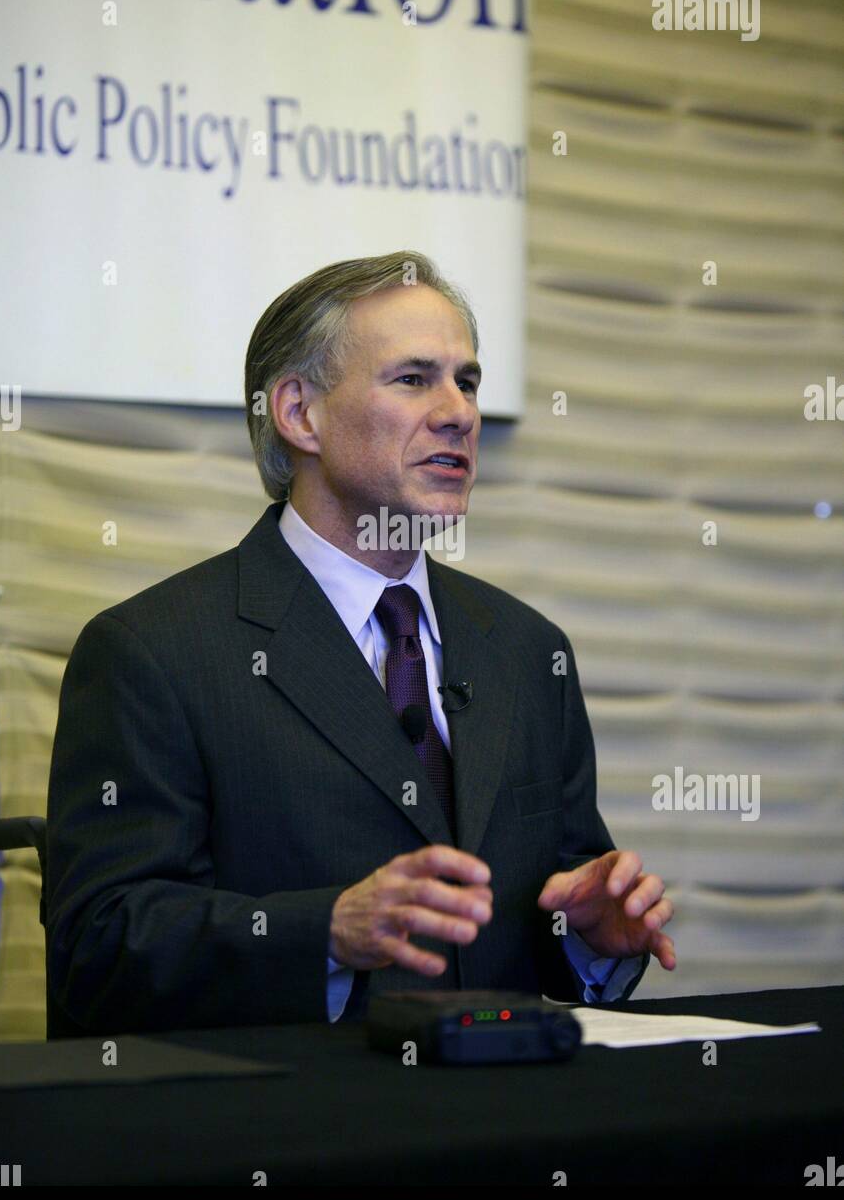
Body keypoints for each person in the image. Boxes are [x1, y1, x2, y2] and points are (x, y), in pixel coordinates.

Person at [45, 251, 675, 1037]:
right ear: (298, 413)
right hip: (284, 1136)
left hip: (507, 1130)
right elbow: (96, 947)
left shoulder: (526, 650)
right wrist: (328, 934)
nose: (458, 413)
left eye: (467, 382)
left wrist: (588, 940)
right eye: (413, 380)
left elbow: (546, 916)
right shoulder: (152, 652)